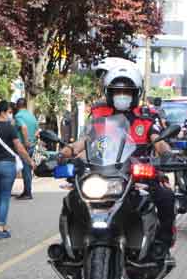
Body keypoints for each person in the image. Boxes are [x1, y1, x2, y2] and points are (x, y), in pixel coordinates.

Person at [59, 65, 176, 262]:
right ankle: (71, 249)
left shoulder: (145, 119)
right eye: (117, 92)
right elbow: (84, 142)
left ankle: (162, 244)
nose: (122, 95)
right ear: (109, 94)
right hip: (105, 173)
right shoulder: (100, 118)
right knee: (73, 198)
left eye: (127, 92)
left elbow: (159, 141)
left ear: (136, 94)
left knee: (165, 196)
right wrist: (63, 153)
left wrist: (167, 154)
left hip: (138, 175)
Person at [0, 101, 34, 239]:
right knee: (4, 197)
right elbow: (19, 147)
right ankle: (1, 227)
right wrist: (30, 161)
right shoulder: (10, 128)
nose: (11, 115)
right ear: (3, 112)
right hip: (7, 166)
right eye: (9, 112)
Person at [14, 98, 38, 200]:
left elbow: (23, 127)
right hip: (32, 144)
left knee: (26, 169)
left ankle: (27, 192)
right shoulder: (31, 116)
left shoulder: (18, 116)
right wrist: (33, 140)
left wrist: (26, 141)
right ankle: (27, 190)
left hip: (24, 145)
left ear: (17, 106)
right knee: (27, 168)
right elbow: (37, 130)